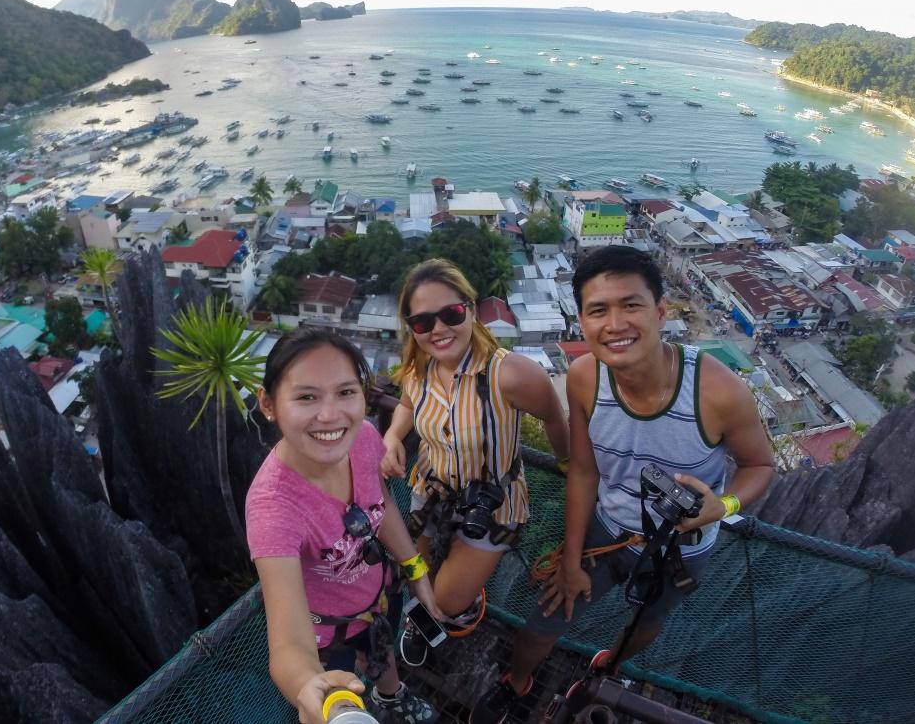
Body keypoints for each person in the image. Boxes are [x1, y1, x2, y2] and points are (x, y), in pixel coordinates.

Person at [469, 246, 776, 724]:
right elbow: (585, 471)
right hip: (607, 531)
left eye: (630, 305)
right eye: (598, 310)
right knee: (541, 623)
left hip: (683, 547)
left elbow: (760, 465)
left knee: (646, 622)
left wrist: (726, 503)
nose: (615, 324)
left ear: (660, 311)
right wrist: (571, 561)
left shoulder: (718, 393)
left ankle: (608, 666)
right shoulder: (584, 377)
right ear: (583, 321)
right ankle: (517, 683)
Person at [247, 328, 442, 724]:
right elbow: (288, 644)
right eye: (306, 397)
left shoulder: (364, 437)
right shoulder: (274, 507)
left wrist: (415, 568)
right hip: (328, 635)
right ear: (268, 404)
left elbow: (380, 503)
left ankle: (392, 697)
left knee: (384, 653)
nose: (331, 415)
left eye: (345, 392)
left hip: (378, 598)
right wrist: (309, 687)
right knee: (345, 692)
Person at [380, 259, 569, 665]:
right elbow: (409, 404)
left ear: (470, 308)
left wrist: (567, 462)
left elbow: (554, 415)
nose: (438, 330)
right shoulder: (418, 367)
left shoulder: (510, 374)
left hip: (491, 504)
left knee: (443, 601)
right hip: (431, 491)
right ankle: (432, 607)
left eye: (450, 314)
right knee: (417, 578)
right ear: (411, 326)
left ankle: (453, 607)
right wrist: (394, 435)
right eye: (422, 322)